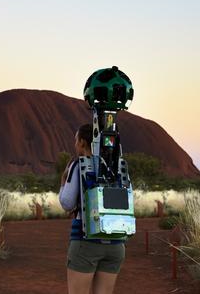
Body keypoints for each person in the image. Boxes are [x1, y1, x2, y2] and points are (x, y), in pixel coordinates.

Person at [59, 124, 126, 294]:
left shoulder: (78, 165)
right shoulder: (118, 166)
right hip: (116, 243)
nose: (75, 145)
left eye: (76, 140)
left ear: (82, 142)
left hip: (86, 241)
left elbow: (67, 203)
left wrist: (63, 182)